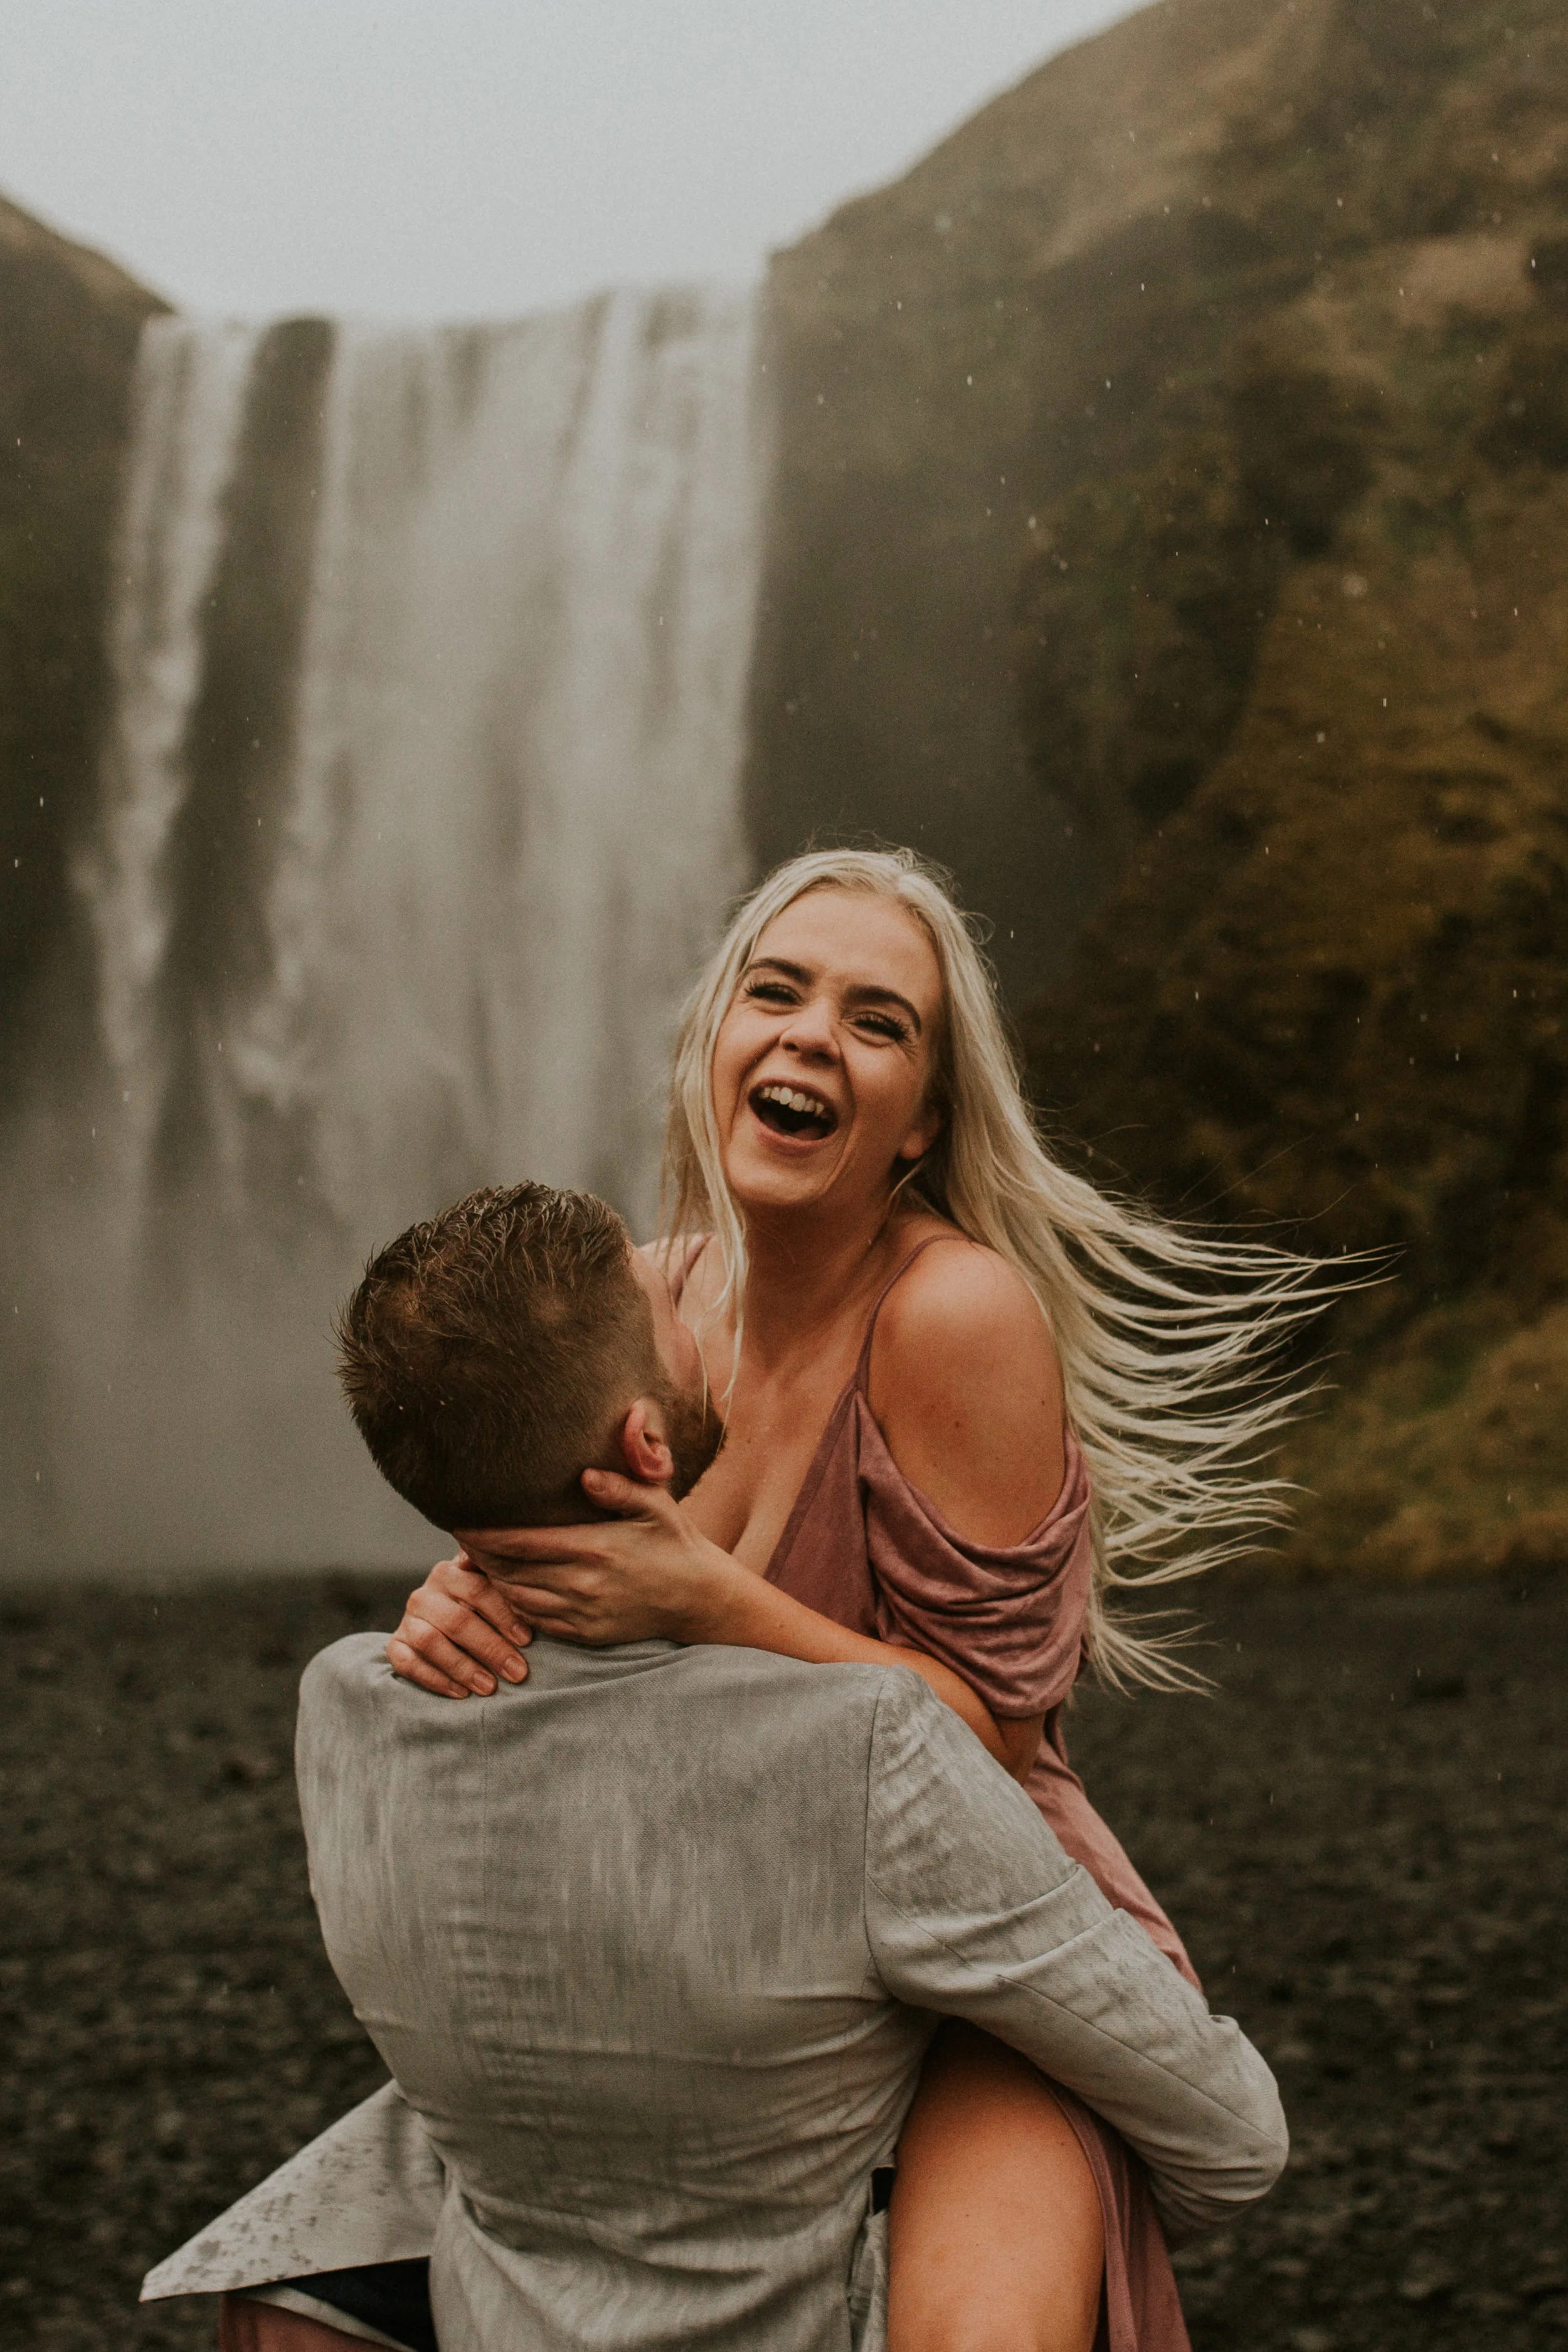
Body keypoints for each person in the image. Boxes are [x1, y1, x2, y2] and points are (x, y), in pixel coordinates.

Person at [388, 847, 1327, 2351]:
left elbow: (998, 1748)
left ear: (921, 1125)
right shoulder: (640, 1298)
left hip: (987, 1963)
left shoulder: (952, 1316)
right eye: (777, 991)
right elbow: (567, 1601)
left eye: (877, 1021)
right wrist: (465, 1605)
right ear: (714, 1042)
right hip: (728, 1955)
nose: (814, 1034)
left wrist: (706, 1600)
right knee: (293, 2296)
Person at [143, 1181, 1288, 2352]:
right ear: (644, 1441)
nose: (703, 1309)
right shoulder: (861, 1747)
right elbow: (1229, 2124)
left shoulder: (345, 1710)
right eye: (677, 1306)